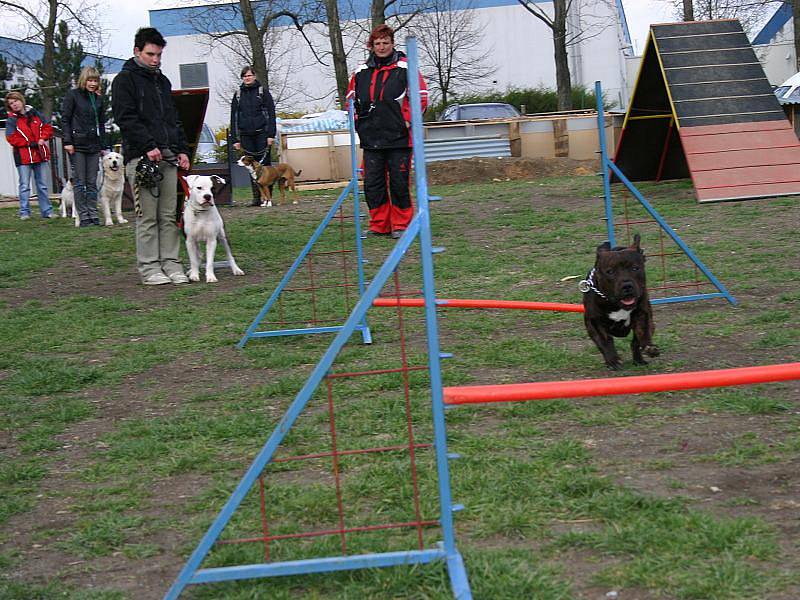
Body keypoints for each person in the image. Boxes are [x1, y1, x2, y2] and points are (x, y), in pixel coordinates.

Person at [112, 27, 191, 285]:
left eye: (158, 55)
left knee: (168, 215)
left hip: (167, 157)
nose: (155, 59)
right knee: (147, 216)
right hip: (141, 158)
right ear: (137, 51)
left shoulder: (162, 81)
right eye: (150, 54)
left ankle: (171, 263)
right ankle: (149, 268)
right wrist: (147, 145)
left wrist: (181, 150)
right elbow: (126, 118)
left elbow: (172, 119)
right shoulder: (125, 80)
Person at [346, 24, 428, 239]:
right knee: (373, 184)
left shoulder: (406, 67)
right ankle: (379, 225)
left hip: (399, 137)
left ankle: (401, 224)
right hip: (371, 138)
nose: (381, 47)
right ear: (371, 46)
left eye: (385, 42)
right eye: (377, 43)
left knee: (399, 182)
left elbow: (420, 95)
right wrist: (357, 120)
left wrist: (408, 120)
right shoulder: (360, 71)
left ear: (393, 44)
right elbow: (350, 100)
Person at [62, 66, 109, 227]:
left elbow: (102, 123)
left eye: (95, 80)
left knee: (92, 181)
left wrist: (103, 144)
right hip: (77, 144)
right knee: (80, 181)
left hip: (94, 145)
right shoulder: (73, 95)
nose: (92, 83)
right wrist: (68, 141)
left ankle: (93, 213)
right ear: (84, 80)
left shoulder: (98, 99)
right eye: (90, 80)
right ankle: (83, 216)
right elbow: (66, 119)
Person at [4, 91, 55, 220]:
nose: (14, 104)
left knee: (42, 184)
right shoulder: (11, 120)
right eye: (11, 103)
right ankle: (24, 212)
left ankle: (47, 211)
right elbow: (11, 138)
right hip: (23, 157)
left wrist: (42, 138)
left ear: (21, 100)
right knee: (24, 185)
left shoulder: (36, 114)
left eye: (15, 101)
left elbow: (47, 127)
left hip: (40, 154)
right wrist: (28, 143)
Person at [230, 66, 276, 206]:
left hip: (262, 134)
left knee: (265, 166)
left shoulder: (263, 92)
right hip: (246, 135)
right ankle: (257, 198)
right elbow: (234, 117)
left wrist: (271, 134)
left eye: (249, 75)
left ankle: (268, 198)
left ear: (254, 76)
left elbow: (271, 113)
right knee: (250, 167)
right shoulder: (238, 95)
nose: (247, 78)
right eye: (245, 76)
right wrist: (235, 139)